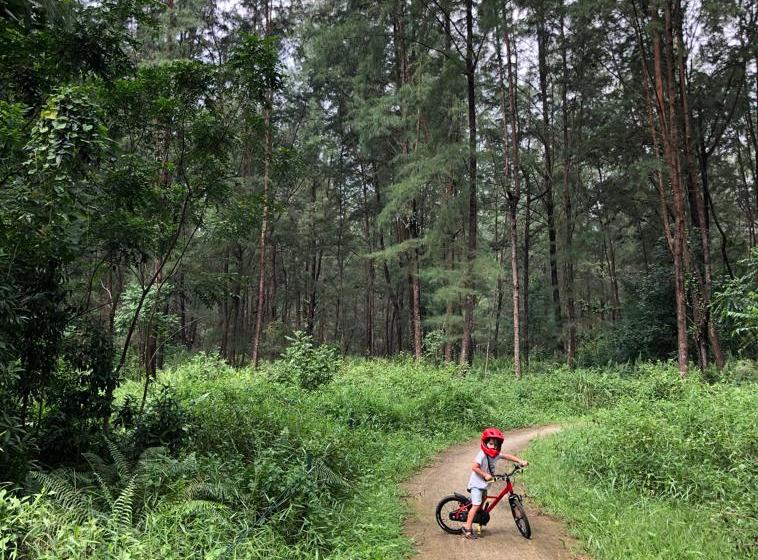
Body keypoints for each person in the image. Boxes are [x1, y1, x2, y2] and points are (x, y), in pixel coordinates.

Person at [462, 427, 528, 540]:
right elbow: (474, 467)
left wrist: (520, 461)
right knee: (476, 505)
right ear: (485, 443)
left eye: (496, 444)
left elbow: (507, 456)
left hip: (484, 485)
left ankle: (479, 520)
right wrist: (485, 475)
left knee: (481, 507)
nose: (494, 446)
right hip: (477, 485)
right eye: (491, 443)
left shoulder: (495, 454)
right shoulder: (482, 455)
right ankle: (467, 527)